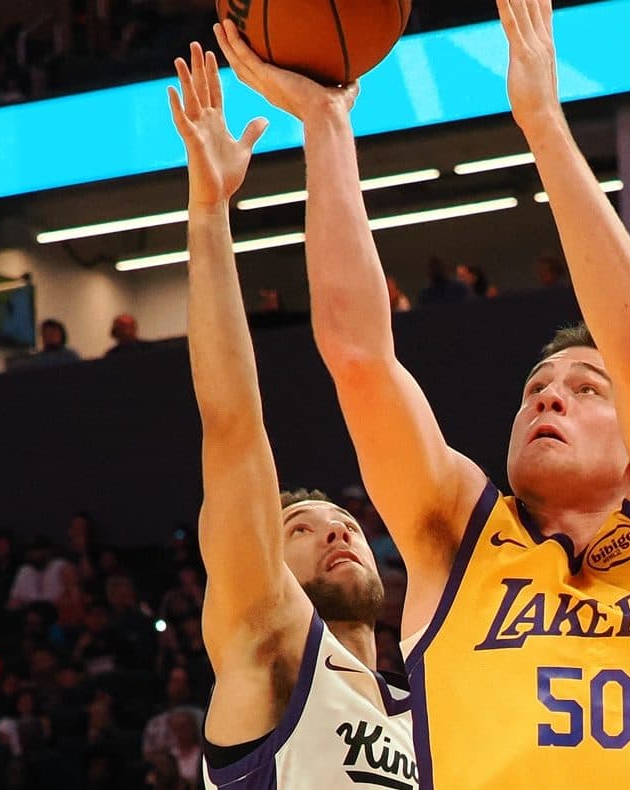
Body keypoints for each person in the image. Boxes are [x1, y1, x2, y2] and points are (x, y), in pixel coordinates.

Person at [216, 0, 630, 784]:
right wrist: (325, 124)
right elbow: (357, 356)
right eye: (536, 388)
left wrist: (543, 125)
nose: (549, 399)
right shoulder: (454, 533)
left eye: (587, 390)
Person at [166, 43, 415, 788]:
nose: (337, 529)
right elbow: (232, 426)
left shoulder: (429, 714)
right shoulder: (267, 644)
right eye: (298, 531)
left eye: (341, 521)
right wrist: (209, 213)